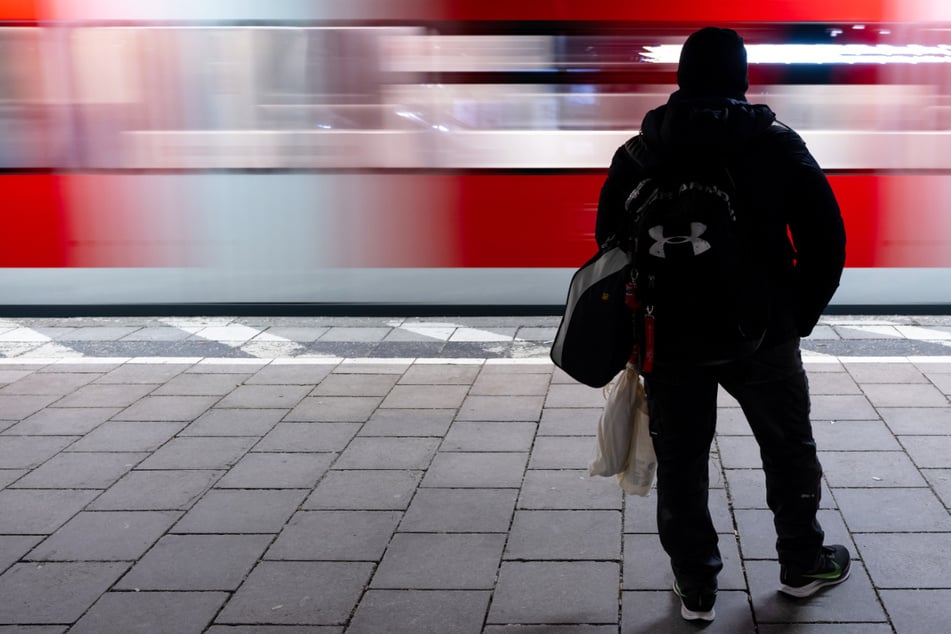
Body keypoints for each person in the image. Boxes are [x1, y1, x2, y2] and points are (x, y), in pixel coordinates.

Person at [594, 27, 848, 622]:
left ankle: (697, 584)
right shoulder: (776, 143)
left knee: (681, 456)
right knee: (787, 446)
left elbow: (609, 243)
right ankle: (803, 563)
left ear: (681, 77)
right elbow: (826, 238)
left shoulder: (639, 151)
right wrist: (796, 316)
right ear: (742, 77)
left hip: (668, 333)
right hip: (763, 330)